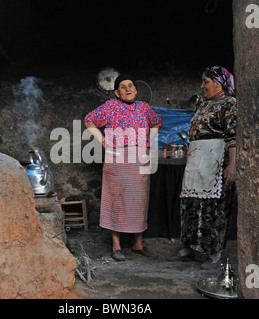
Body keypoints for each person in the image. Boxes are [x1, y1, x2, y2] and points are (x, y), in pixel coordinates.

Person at [84, 74, 162, 262]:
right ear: (117, 93)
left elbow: (157, 122)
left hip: (139, 159)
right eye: (123, 87)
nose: (128, 89)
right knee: (116, 199)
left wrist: (146, 142)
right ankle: (116, 245)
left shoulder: (144, 107)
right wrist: (103, 141)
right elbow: (89, 120)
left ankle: (138, 243)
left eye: (130, 86)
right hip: (117, 158)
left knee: (139, 200)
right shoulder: (110, 106)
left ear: (135, 89)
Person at [167, 66, 237, 270]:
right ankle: (188, 248)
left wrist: (233, 165)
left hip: (217, 159)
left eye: (206, 81)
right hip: (197, 159)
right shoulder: (203, 103)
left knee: (215, 209)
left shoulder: (229, 103)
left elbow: (233, 136)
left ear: (219, 83)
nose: (202, 85)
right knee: (190, 205)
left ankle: (213, 254)